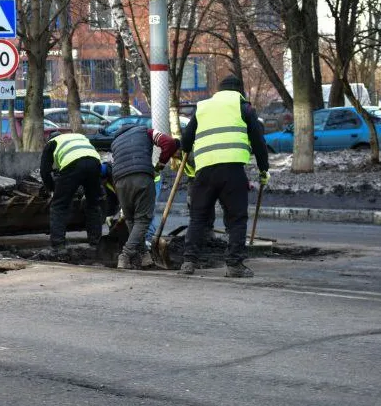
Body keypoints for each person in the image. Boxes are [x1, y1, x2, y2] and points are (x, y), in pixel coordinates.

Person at [178, 75, 270, 277]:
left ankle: (189, 262)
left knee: (198, 217)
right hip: (232, 171)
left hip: (204, 171)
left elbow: (185, 142)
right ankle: (234, 265)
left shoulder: (202, 107)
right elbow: (258, 142)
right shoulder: (244, 107)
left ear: (218, 91)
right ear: (239, 91)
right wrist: (264, 169)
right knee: (236, 218)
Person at [108, 123, 179, 268]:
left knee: (131, 220)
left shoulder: (115, 142)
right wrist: (160, 164)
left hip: (119, 181)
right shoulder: (145, 131)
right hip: (141, 176)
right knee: (142, 220)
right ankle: (126, 255)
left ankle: (144, 256)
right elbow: (170, 143)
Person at [40, 131, 103, 249]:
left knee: (59, 205)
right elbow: (85, 158)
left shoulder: (52, 142)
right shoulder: (80, 136)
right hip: (95, 163)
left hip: (72, 164)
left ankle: (58, 245)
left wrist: (52, 189)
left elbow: (44, 171)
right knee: (93, 204)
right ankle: (96, 243)